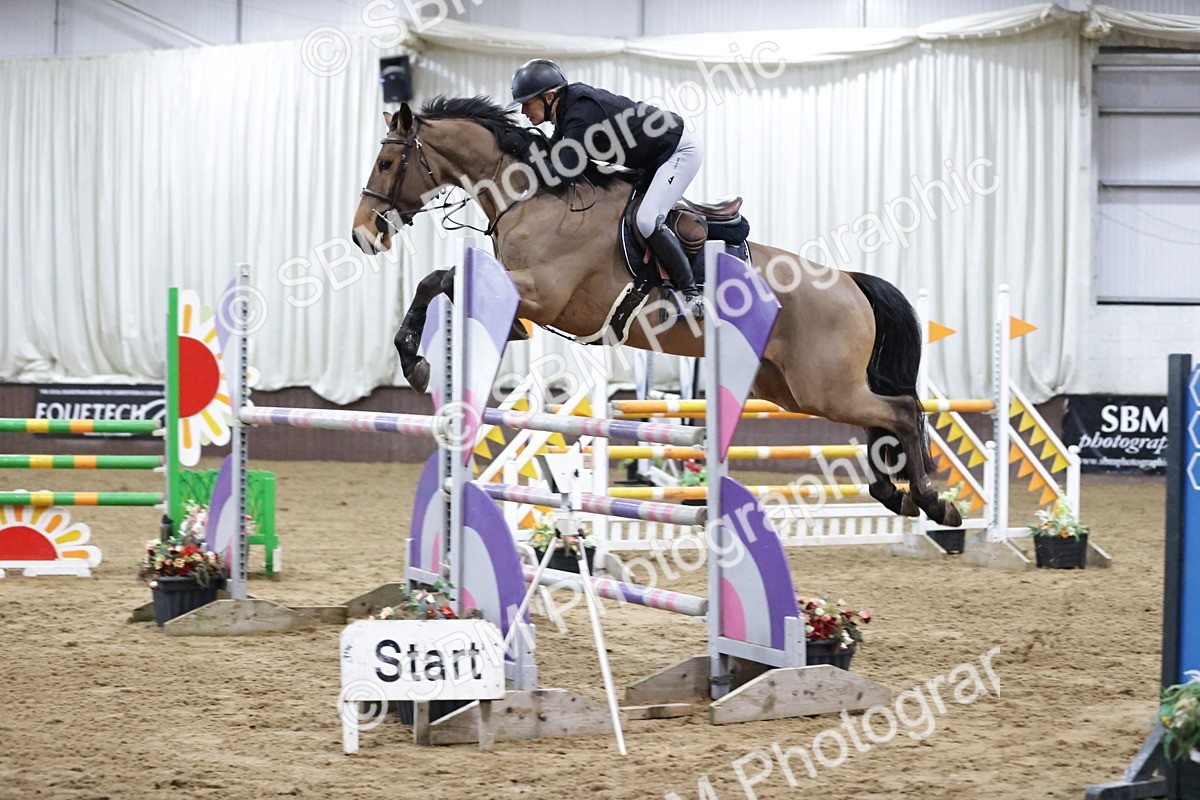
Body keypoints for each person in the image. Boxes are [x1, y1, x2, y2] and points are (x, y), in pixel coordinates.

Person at [509, 58, 704, 318]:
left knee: (646, 220)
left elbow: (561, 174)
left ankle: (691, 293)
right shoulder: (567, 114)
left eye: (526, 103)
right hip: (652, 160)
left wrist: (527, 160)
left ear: (548, 96)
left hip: (678, 151)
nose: (523, 111)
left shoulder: (580, 115)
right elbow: (554, 154)